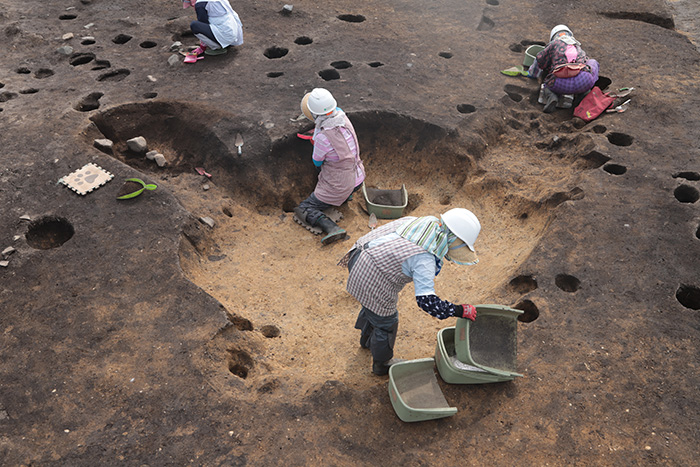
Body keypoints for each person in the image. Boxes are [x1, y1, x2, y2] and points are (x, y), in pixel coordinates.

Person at [338, 208, 481, 375]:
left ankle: (367, 340)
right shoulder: (424, 258)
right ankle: (382, 364)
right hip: (370, 272)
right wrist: (459, 310)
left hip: (358, 252)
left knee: (372, 305)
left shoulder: (428, 222)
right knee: (386, 321)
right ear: (454, 239)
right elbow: (427, 302)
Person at [294, 88, 366, 245]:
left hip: (339, 185)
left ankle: (332, 228)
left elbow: (317, 162)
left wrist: (318, 139)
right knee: (338, 166)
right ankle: (346, 195)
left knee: (304, 208)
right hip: (358, 178)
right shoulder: (344, 118)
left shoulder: (322, 137)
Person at [529, 25, 599, 113]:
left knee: (547, 84)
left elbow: (539, 59)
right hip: (583, 81)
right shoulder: (577, 45)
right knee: (592, 62)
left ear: (554, 36)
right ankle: (584, 93)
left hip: (560, 83)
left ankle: (552, 97)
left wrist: (532, 73)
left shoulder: (553, 44)